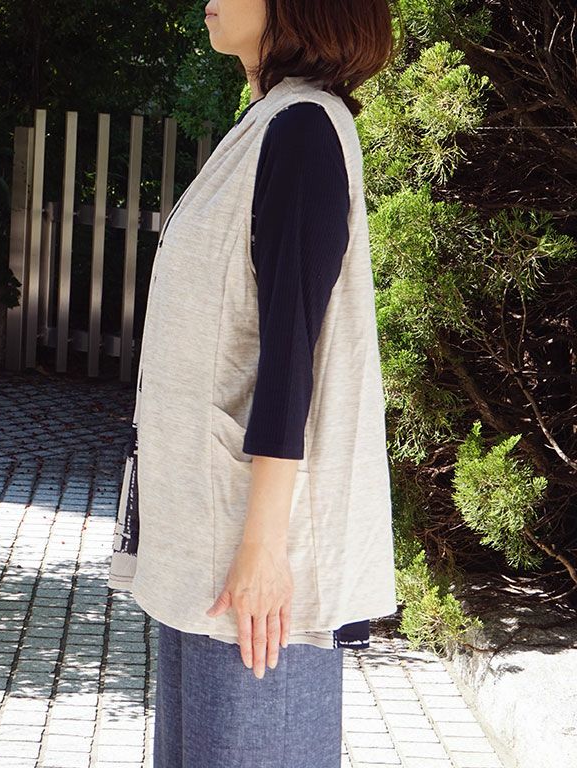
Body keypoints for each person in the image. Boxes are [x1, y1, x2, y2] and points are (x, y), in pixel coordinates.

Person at [108, 1, 403, 765]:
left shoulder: (302, 131)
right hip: (209, 542)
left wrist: (264, 552)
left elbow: (292, 355)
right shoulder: (269, 123)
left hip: (252, 557)